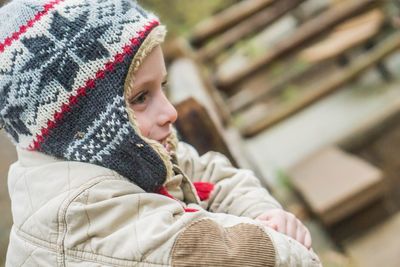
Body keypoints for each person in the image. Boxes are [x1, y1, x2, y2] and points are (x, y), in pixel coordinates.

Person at [0, 0, 321, 266]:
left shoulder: (133, 154)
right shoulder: (82, 213)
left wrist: (263, 214)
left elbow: (213, 174)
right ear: (78, 125)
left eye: (162, 86)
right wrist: (286, 243)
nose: (171, 112)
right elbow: (225, 254)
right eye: (141, 97)